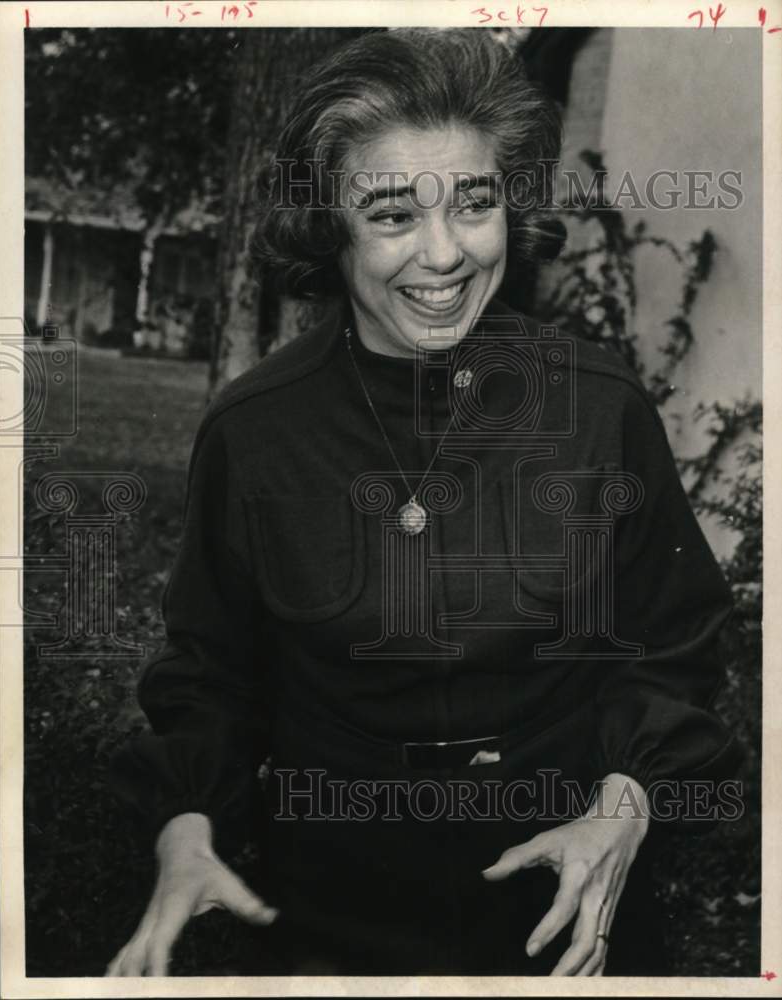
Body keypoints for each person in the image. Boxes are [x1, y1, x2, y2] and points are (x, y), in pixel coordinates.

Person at [107, 28, 742, 977]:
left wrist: (624, 809)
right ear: (331, 225)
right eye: (393, 214)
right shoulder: (255, 430)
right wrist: (186, 827)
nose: (443, 255)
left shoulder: (597, 405)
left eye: (473, 203)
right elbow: (213, 673)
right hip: (325, 900)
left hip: (565, 896)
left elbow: (673, 644)